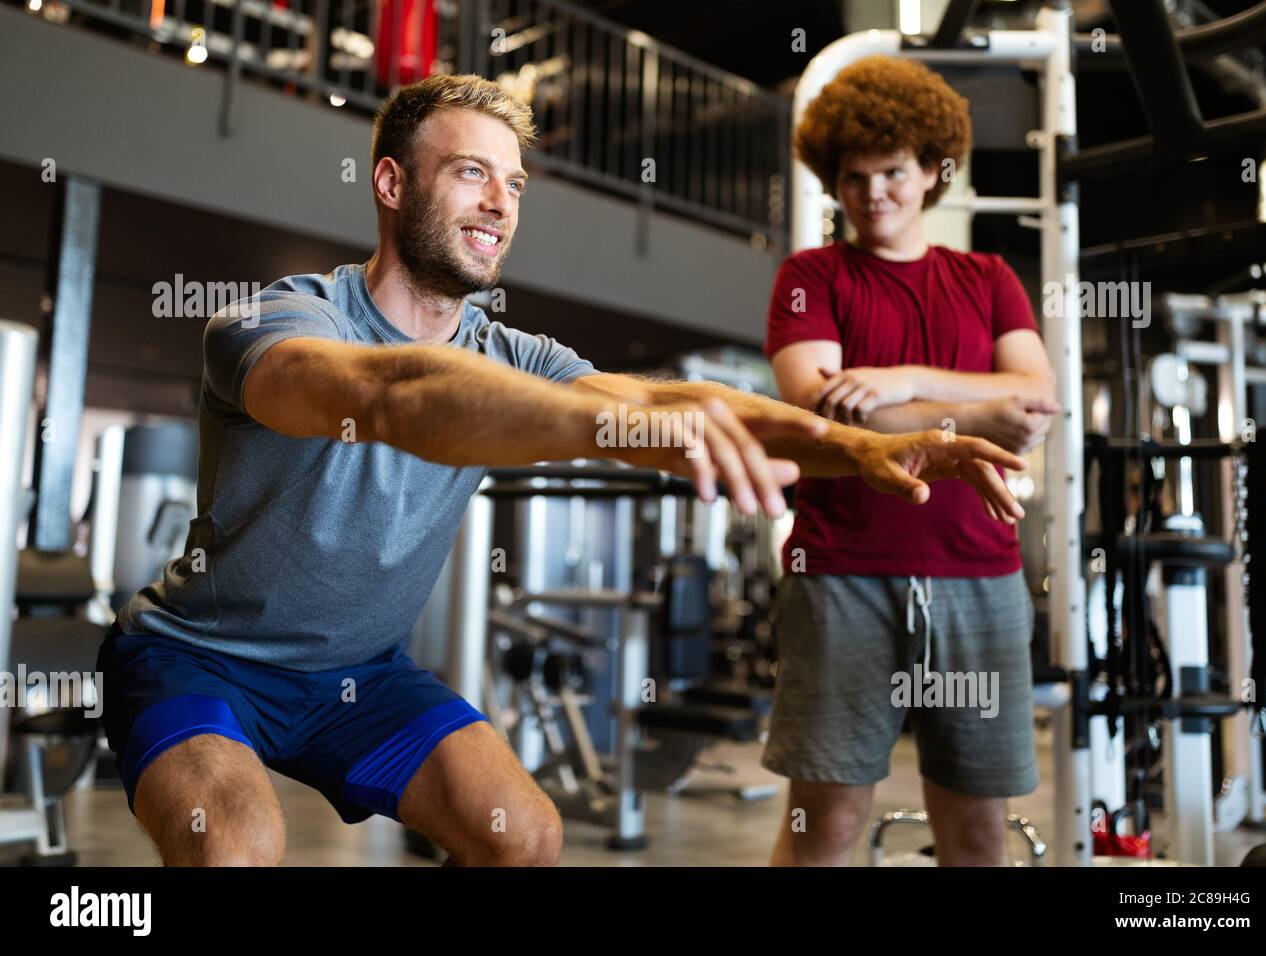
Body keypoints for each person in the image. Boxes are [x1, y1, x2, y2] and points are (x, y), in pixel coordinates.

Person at [98, 72, 1028, 867]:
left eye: (514, 183)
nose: (501, 205)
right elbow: (390, 398)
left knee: (524, 838)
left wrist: (858, 450)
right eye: (471, 174)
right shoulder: (279, 323)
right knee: (234, 844)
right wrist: (591, 420)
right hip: (200, 661)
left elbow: (665, 405)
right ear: (389, 182)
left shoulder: (516, 351)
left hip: (358, 676)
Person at [763, 56, 1058, 867]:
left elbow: (1035, 401)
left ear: (933, 170)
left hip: (980, 576)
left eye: (893, 171)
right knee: (823, 823)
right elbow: (818, 412)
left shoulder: (989, 279)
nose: (873, 193)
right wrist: (977, 410)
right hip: (842, 575)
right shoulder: (809, 277)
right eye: (852, 177)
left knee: (978, 830)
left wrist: (902, 384)